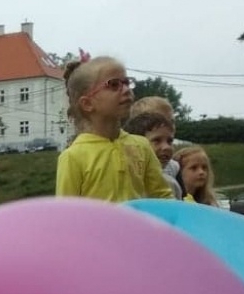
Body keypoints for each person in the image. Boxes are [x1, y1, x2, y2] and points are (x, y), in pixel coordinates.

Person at [54, 58, 173, 204]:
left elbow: (163, 197)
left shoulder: (142, 146)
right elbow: (66, 211)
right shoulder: (73, 157)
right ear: (87, 103)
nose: (127, 90)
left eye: (127, 82)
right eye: (114, 84)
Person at [125, 110, 183, 199]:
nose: (166, 147)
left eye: (170, 141)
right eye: (157, 140)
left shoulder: (171, 185)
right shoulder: (125, 183)